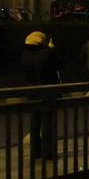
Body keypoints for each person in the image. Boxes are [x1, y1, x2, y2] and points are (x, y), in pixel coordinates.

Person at [21, 31, 60, 161]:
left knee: (35, 122)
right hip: (47, 92)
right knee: (48, 123)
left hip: (32, 92)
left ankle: (35, 151)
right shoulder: (47, 53)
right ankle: (48, 152)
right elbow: (57, 64)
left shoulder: (25, 54)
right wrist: (52, 49)